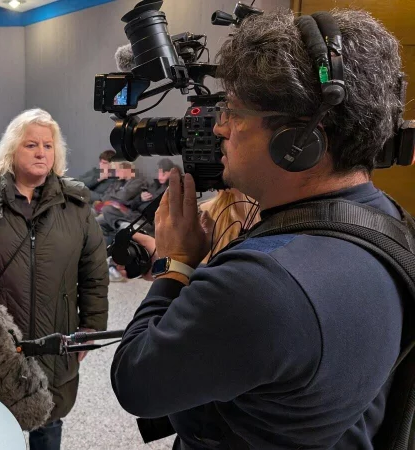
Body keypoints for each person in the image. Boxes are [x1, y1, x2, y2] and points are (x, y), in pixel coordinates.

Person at [110, 9, 406, 449]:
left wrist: (173, 264)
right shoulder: (388, 219)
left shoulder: (263, 284)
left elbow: (136, 383)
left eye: (232, 111)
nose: (218, 127)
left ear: (299, 141)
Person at [0, 108, 108, 450]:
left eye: (48, 145)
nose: (41, 152)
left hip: (55, 339)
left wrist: (92, 327)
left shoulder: (75, 206)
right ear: (12, 150)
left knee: (48, 421)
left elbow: (94, 273)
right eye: (31, 144)